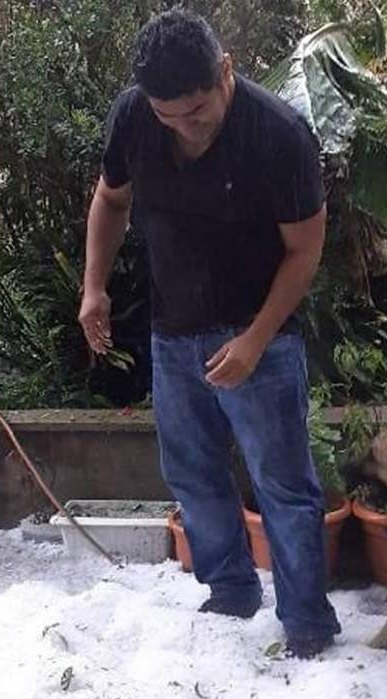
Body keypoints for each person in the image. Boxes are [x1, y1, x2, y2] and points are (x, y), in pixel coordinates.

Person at [79, 8, 341, 658]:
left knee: (282, 483)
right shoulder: (134, 116)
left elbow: (304, 251)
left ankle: (307, 623)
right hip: (174, 333)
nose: (184, 126)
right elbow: (111, 199)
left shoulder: (279, 136)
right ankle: (230, 595)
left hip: (263, 339)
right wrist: (93, 287)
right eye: (168, 116)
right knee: (192, 474)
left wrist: (255, 340)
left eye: (196, 111)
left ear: (225, 72)